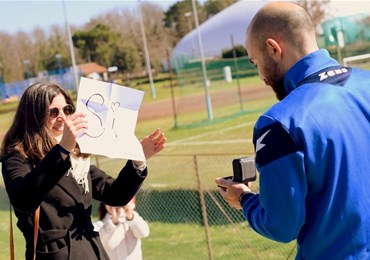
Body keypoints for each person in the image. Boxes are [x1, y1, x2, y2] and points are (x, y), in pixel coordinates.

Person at [215, 2, 370, 259]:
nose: (261, 76)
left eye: (255, 63)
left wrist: (244, 199)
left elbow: (282, 225)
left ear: (273, 49)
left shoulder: (279, 122)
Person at [1, 81, 166, 260]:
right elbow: (22, 199)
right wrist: (62, 150)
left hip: (92, 250)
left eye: (67, 110)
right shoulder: (17, 156)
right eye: (53, 112)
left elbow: (116, 195)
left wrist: (137, 161)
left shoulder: (76, 157)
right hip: (55, 254)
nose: (63, 118)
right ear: (34, 116)